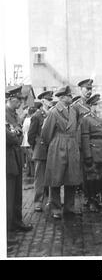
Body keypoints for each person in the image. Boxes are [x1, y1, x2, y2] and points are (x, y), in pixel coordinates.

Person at [41, 85, 82, 219]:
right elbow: (46, 133)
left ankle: (69, 207)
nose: (71, 98)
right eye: (69, 96)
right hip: (58, 146)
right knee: (56, 179)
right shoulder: (54, 112)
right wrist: (54, 145)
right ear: (62, 97)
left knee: (72, 178)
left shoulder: (73, 111)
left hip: (71, 144)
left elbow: (75, 129)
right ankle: (56, 208)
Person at [6, 86, 33, 246]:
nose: (20, 103)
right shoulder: (4, 114)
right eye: (18, 100)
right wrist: (16, 133)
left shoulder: (14, 115)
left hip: (15, 157)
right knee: (8, 197)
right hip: (8, 159)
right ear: (10, 99)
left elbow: (19, 133)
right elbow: (10, 138)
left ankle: (16, 222)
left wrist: (16, 133)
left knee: (17, 194)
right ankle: (7, 231)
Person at [81, 94, 102, 212]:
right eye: (97, 105)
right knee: (92, 179)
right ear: (91, 106)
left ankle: (98, 200)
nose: (100, 106)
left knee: (101, 179)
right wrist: (88, 155)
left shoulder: (100, 118)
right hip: (94, 153)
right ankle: (92, 202)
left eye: (100, 104)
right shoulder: (86, 119)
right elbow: (85, 138)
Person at [28, 90, 53, 212]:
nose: (50, 102)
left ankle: (51, 200)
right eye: (48, 99)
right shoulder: (37, 116)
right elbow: (31, 136)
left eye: (51, 99)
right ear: (42, 101)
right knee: (40, 178)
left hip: (52, 150)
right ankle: (38, 202)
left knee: (52, 176)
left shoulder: (52, 114)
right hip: (41, 150)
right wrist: (36, 148)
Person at [71, 79, 93, 201]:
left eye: (90, 89)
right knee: (84, 172)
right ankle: (86, 198)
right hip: (81, 144)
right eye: (87, 89)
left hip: (93, 143)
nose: (89, 91)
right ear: (80, 90)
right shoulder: (76, 107)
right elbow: (73, 127)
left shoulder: (91, 105)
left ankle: (93, 197)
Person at [21, 106, 36, 177]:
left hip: (25, 140)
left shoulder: (26, 119)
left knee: (28, 158)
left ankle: (29, 172)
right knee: (32, 158)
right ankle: (32, 173)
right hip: (29, 140)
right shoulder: (31, 119)